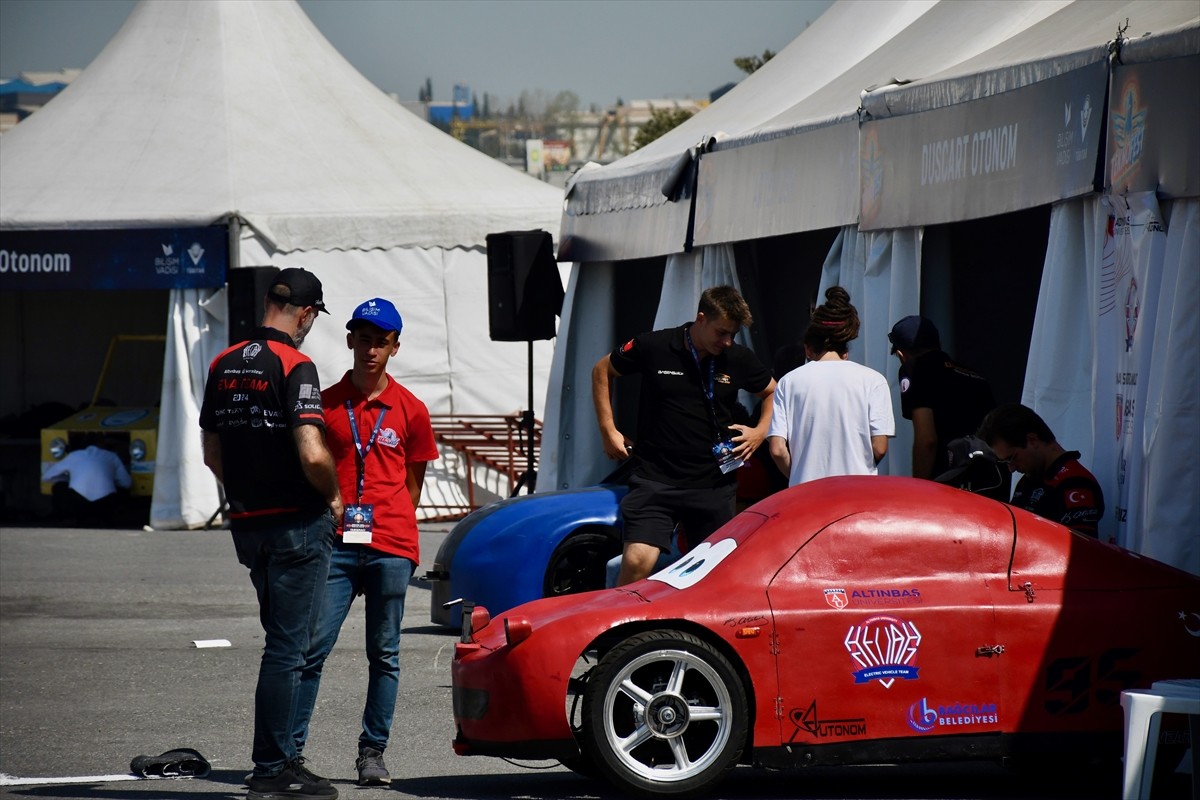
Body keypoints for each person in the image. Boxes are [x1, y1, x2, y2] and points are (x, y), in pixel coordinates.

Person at [199, 267, 343, 800]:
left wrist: (249, 491)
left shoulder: (222, 362)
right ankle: (272, 769)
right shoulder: (295, 365)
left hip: (249, 525)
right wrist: (333, 496)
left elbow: (212, 453)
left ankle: (282, 760)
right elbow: (312, 451)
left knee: (282, 643)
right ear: (305, 313)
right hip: (296, 523)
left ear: (268, 302)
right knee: (289, 649)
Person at [292, 298, 439, 787]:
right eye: (364, 339)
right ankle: (289, 754)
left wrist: (391, 523)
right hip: (334, 543)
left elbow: (412, 485)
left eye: (381, 341)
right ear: (350, 340)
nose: (371, 349)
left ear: (395, 347)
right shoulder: (325, 404)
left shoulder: (411, 410)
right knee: (311, 649)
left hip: (391, 545)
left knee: (385, 654)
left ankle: (372, 752)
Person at [592, 285, 776, 586]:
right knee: (637, 562)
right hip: (656, 479)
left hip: (713, 483)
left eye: (733, 334)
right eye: (721, 332)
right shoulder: (655, 345)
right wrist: (608, 430)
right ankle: (623, 615)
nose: (727, 341)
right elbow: (602, 370)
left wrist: (761, 431)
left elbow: (772, 391)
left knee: (714, 578)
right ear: (701, 319)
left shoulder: (738, 357)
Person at [767, 287, 894, 485]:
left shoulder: (788, 382)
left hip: (807, 492)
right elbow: (879, 447)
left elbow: (777, 449)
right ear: (846, 350)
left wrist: (798, 475)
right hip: (858, 491)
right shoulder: (874, 381)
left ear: (808, 349)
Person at [888, 315, 995, 480]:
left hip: (947, 477)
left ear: (901, 354)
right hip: (986, 475)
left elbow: (927, 439)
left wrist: (919, 486)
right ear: (939, 344)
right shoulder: (976, 376)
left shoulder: (914, 369)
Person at [976, 403, 1105, 537]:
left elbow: (1079, 547)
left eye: (1012, 458)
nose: (1011, 468)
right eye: (1005, 462)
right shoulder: (1028, 480)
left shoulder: (1075, 483)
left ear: (1033, 440)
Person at [41, 435, 132, 525]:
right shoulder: (112, 456)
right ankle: (110, 519)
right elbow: (127, 483)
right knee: (119, 490)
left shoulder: (74, 455)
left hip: (78, 505)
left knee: (58, 486)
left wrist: (70, 479)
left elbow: (47, 476)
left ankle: (65, 518)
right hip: (103, 506)